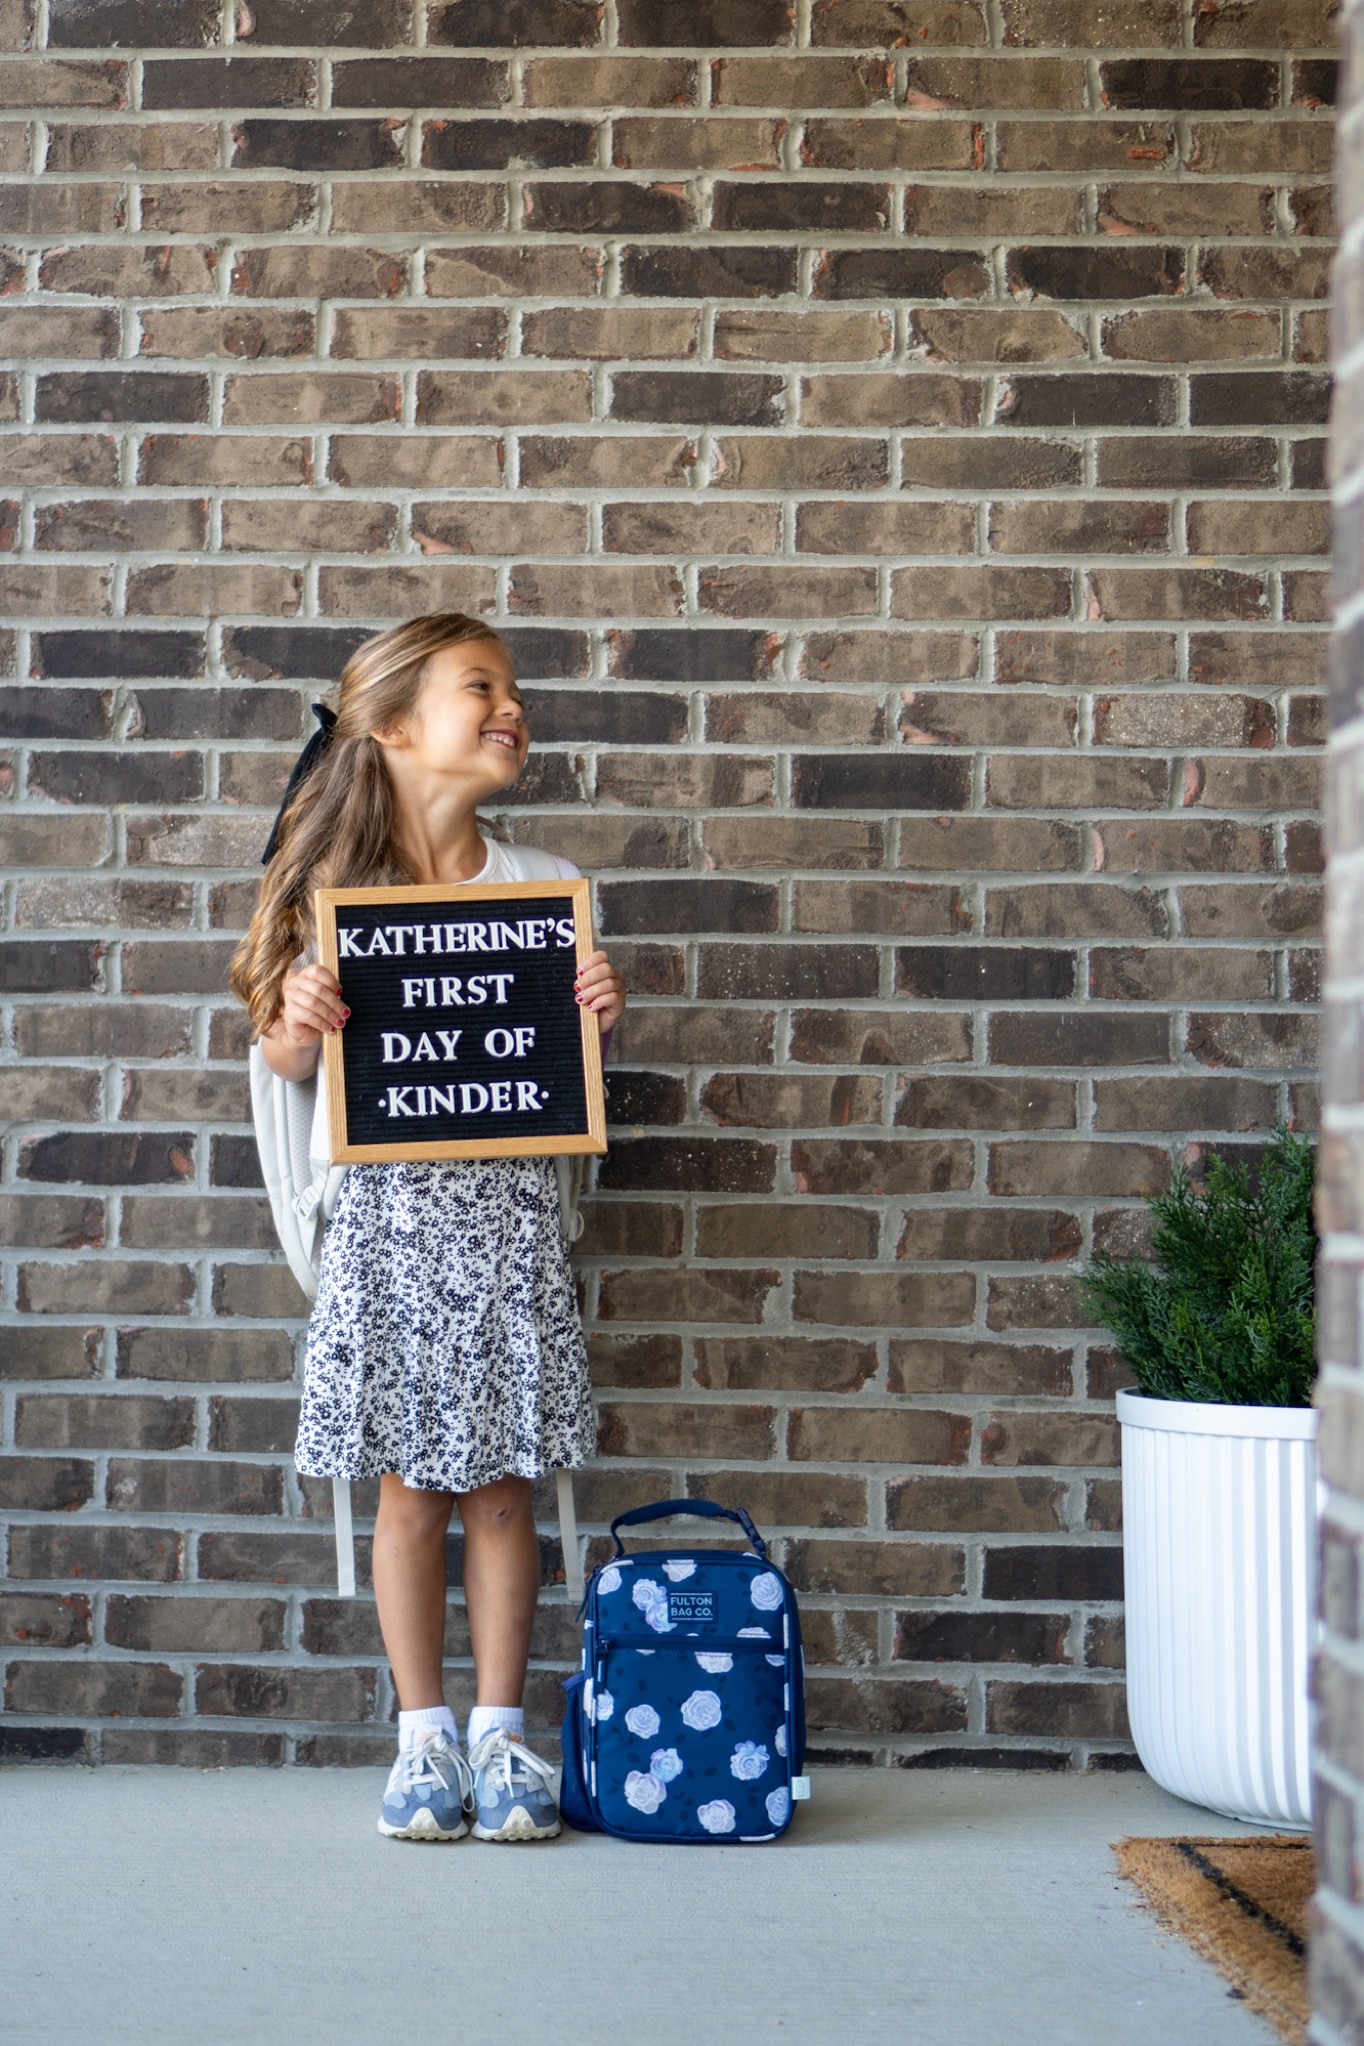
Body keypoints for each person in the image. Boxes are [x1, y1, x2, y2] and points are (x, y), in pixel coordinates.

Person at [230, 613, 625, 1843]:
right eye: (482, 688)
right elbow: (283, 1061)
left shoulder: (537, 889)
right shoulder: (334, 899)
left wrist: (594, 1023)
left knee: (504, 1491)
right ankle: (422, 1739)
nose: (513, 707)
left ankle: (504, 1735)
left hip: (506, 1229)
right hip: (390, 1239)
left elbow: (559, 1069)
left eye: (514, 690)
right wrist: (298, 1009)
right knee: (410, 1493)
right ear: (396, 726)